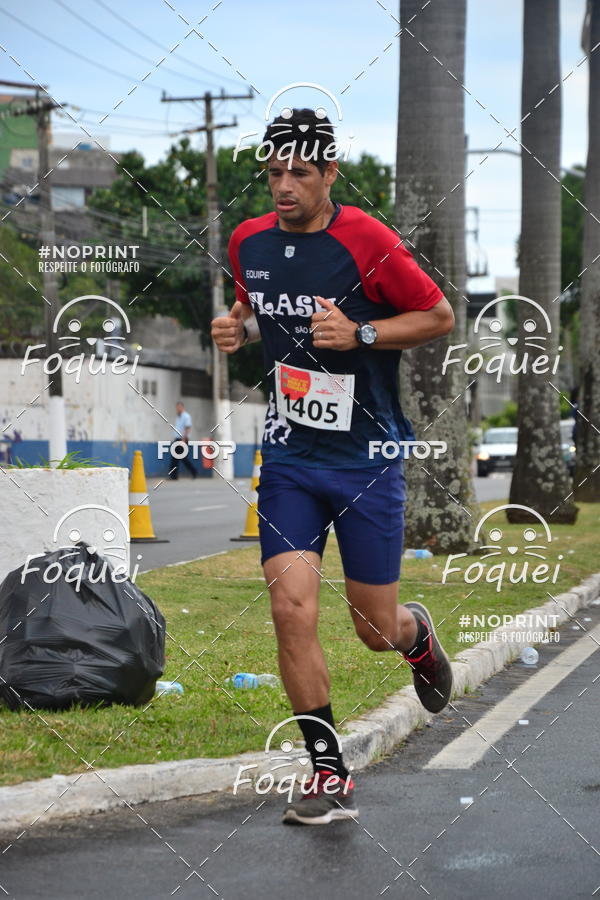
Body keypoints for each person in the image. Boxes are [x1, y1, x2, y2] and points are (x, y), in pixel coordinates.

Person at [211, 108, 455, 826]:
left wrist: (363, 332)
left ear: (329, 174)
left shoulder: (368, 241)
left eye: (300, 174)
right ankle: (327, 773)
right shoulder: (247, 239)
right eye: (274, 173)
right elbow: (255, 308)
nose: (284, 186)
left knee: (372, 629)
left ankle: (417, 637)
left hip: (367, 457)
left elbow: (438, 316)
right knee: (290, 608)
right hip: (289, 455)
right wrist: (238, 327)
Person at [169, 401, 197, 480]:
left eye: (179, 407)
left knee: (183, 458)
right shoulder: (178, 416)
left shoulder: (186, 416)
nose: (177, 409)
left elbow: (187, 428)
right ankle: (173, 476)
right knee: (175, 457)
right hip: (177, 439)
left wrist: (183, 440)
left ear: (182, 407)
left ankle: (194, 471)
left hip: (182, 440)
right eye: (177, 407)